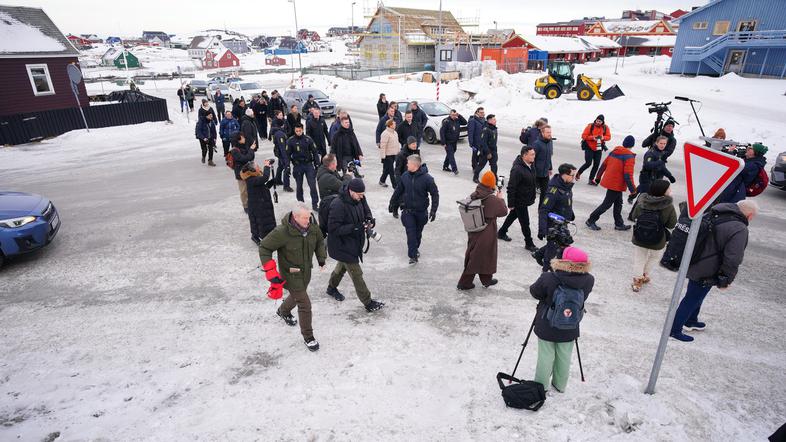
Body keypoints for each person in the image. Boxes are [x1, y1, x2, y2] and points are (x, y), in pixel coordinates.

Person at [670, 200, 757, 342]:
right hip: (708, 267)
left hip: (695, 260)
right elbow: (733, 258)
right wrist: (726, 279)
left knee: (697, 294)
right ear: (750, 215)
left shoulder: (714, 213)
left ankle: (691, 320)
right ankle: (674, 329)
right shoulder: (739, 228)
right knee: (692, 297)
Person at [259, 204, 326, 352]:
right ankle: (309, 337)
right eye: (305, 218)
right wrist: (271, 271)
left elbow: (320, 241)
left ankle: (283, 311)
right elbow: (264, 247)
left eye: (309, 217)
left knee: (297, 296)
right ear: (295, 217)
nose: (308, 220)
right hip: (290, 274)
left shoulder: (312, 227)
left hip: (306, 273)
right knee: (305, 304)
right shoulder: (282, 232)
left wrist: (321, 258)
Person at [530, 246, 594, 393]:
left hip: (547, 323)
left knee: (545, 355)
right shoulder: (589, 280)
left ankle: (541, 385)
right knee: (564, 355)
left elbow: (534, 291)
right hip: (571, 324)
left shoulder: (549, 277)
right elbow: (584, 297)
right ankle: (560, 385)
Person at [325, 178, 386, 312]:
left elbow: (366, 209)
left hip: (353, 242)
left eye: (363, 194)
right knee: (356, 274)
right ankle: (368, 302)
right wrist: (355, 228)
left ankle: (331, 288)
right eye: (359, 194)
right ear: (351, 191)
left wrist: (369, 219)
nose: (362, 197)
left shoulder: (360, 197)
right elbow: (333, 229)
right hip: (342, 244)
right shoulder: (338, 204)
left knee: (341, 267)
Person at [457, 171, 508, 290]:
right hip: (487, 231)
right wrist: (500, 199)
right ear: (492, 184)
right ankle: (464, 283)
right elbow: (503, 212)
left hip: (473, 229)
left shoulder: (475, 193)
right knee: (478, 256)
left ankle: (487, 279)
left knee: (481, 255)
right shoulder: (491, 199)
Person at [388, 154, 439, 264]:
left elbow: (435, 194)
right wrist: (392, 203)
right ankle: (413, 255)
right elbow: (398, 190)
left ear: (415, 165)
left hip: (421, 212)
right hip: (408, 211)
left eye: (408, 163)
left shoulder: (427, 179)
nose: (406, 165)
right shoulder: (405, 176)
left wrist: (433, 210)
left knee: (417, 233)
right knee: (411, 233)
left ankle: (415, 249)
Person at [629, 179, 677, 292]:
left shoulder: (642, 202)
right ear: (664, 191)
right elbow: (672, 224)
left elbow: (634, 216)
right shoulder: (668, 206)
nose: (670, 190)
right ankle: (644, 274)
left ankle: (637, 280)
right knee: (655, 256)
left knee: (639, 257)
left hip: (639, 235)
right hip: (658, 238)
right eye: (668, 188)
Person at [586, 135, 637, 231]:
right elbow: (628, 175)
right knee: (607, 204)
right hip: (616, 184)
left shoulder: (614, 152)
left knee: (618, 203)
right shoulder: (629, 156)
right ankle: (591, 219)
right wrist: (633, 190)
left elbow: (603, 165)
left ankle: (619, 223)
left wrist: (598, 178)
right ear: (632, 145)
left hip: (612, 182)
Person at [535, 163, 577, 272]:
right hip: (553, 226)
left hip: (563, 223)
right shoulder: (554, 190)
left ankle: (539, 254)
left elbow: (566, 203)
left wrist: (570, 214)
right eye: (572, 175)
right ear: (564, 175)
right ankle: (544, 277)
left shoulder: (567, 186)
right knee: (551, 252)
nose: (574, 178)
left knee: (563, 244)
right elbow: (544, 210)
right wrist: (542, 230)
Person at [498, 146, 538, 252]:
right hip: (519, 200)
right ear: (524, 155)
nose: (534, 156)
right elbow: (511, 187)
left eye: (534, 154)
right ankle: (529, 243)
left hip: (525, 197)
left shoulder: (530, 164)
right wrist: (511, 204)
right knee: (525, 222)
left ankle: (501, 232)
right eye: (532, 154)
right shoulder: (517, 169)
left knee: (513, 216)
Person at [317, 154, 352, 236]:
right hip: (330, 206)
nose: (337, 164)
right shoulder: (327, 177)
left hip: (332, 202)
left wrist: (346, 175)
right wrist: (348, 176)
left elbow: (340, 181)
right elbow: (344, 187)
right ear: (332, 164)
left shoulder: (330, 171)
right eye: (336, 162)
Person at [241, 160, 276, 245]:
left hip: (263, 202)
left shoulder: (255, 177)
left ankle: (270, 235)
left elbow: (262, 186)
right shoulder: (250, 179)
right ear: (252, 170)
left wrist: (272, 182)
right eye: (257, 167)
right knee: (258, 221)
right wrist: (267, 166)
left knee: (266, 221)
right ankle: (255, 236)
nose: (259, 168)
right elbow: (264, 178)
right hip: (257, 205)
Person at [287, 123, 320, 211]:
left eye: (300, 131)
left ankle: (315, 204)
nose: (298, 132)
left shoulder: (308, 139)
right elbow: (287, 155)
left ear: (302, 130)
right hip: (298, 166)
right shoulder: (291, 141)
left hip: (308, 165)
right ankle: (301, 204)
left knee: (312, 185)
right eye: (296, 131)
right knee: (299, 186)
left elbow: (315, 152)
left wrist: (317, 164)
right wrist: (287, 167)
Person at [576, 115, 611, 184]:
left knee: (596, 164)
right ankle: (579, 173)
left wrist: (603, 137)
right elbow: (583, 136)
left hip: (599, 147)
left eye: (600, 121)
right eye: (597, 121)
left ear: (602, 122)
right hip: (589, 147)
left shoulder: (605, 128)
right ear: (595, 120)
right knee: (588, 163)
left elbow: (609, 137)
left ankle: (591, 180)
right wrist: (593, 137)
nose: (598, 122)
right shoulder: (590, 126)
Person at [229, 132, 255, 212]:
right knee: (244, 190)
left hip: (249, 171)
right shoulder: (234, 151)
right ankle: (246, 206)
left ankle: (252, 203)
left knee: (251, 188)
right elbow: (244, 159)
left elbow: (251, 157)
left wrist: (251, 150)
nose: (244, 138)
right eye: (242, 137)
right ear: (238, 140)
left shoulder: (245, 146)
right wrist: (251, 150)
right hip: (241, 173)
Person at [532, 124, 554, 205]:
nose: (549, 134)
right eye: (547, 132)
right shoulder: (537, 144)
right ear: (542, 133)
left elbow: (549, 156)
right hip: (536, 174)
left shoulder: (550, 142)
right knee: (530, 195)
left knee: (545, 193)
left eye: (550, 132)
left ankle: (541, 209)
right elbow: (532, 159)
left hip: (545, 174)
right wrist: (532, 172)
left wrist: (550, 168)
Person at [473, 114, 499, 183]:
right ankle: (475, 177)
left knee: (494, 166)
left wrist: (495, 151)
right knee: (481, 165)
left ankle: (494, 179)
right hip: (486, 151)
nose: (495, 120)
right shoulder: (485, 129)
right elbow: (483, 142)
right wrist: (488, 152)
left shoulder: (494, 129)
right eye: (494, 119)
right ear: (489, 120)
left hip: (493, 151)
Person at [440, 109, 466, 175]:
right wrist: (443, 142)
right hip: (448, 142)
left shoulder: (457, 120)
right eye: (452, 115)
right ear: (450, 114)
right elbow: (442, 132)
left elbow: (465, 122)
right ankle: (455, 169)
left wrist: (459, 115)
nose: (454, 116)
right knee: (451, 155)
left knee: (450, 154)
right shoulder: (446, 121)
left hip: (454, 141)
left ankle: (445, 166)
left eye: (455, 115)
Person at [379, 118, 399, 188]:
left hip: (394, 154)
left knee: (387, 169)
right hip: (387, 155)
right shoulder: (385, 134)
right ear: (390, 125)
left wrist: (398, 153)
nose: (395, 125)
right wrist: (383, 156)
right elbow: (383, 146)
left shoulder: (395, 133)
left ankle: (382, 180)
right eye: (394, 124)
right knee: (391, 171)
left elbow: (396, 144)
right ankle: (395, 186)